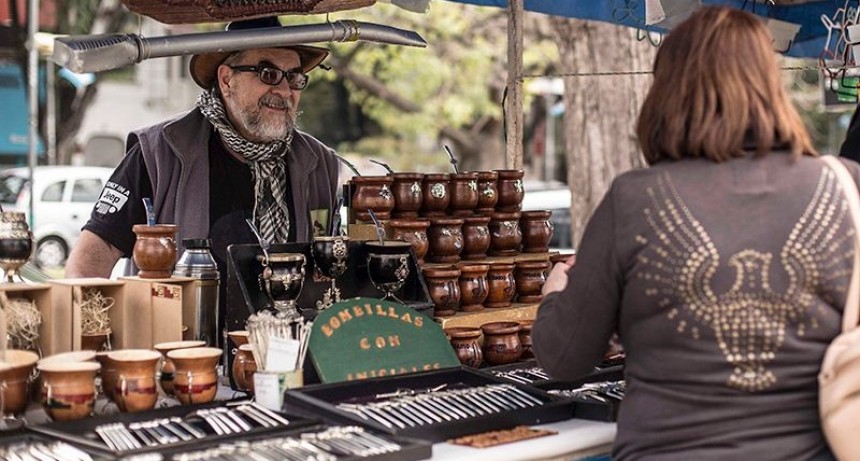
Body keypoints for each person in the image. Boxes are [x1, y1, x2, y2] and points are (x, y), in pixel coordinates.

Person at [533, 7, 858, 460]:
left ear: (668, 91)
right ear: (769, 85)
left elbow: (563, 357)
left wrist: (556, 292)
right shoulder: (846, 187)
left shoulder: (635, 199)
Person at [66, 18, 341, 308]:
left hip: (290, 347)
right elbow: (90, 259)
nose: (285, 92)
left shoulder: (319, 163)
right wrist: (95, 335)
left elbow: (333, 270)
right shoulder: (159, 153)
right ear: (226, 80)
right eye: (268, 73)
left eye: (295, 77)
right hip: (185, 348)